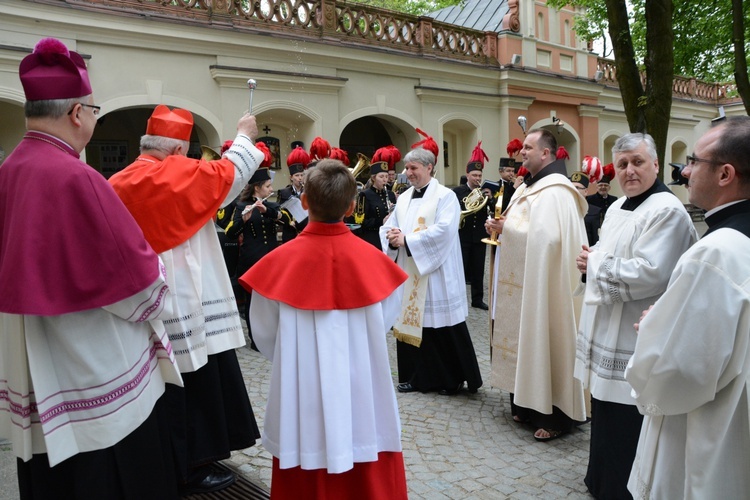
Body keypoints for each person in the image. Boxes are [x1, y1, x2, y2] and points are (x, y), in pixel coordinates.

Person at [0, 38, 182, 498]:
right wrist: (160, 282)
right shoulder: (78, 177)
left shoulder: (7, 170)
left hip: (31, 355)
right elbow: (137, 281)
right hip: (91, 365)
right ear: (77, 113)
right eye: (94, 109)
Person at [109, 104, 264, 494]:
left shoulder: (118, 181)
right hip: (184, 297)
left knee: (158, 384)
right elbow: (229, 175)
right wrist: (245, 133)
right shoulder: (176, 173)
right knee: (191, 380)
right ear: (176, 151)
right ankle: (189, 466)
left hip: (143, 300)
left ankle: (167, 462)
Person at [240, 160, 409, 499]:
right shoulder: (378, 263)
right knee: (368, 438)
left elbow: (264, 335)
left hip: (300, 384)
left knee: (304, 450)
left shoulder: (277, 265)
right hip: (365, 382)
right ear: (350, 206)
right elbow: (386, 321)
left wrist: (300, 356)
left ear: (304, 201)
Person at [625, 116, 750, 499]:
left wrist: (653, 327)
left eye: (695, 161)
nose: (687, 170)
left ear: (725, 173)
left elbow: (680, 368)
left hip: (704, 427)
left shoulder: (715, 252)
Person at [573, 133, 698, 499]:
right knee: (605, 407)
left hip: (635, 330)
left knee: (628, 413)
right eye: (623, 164)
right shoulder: (617, 207)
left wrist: (594, 263)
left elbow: (652, 272)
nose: (629, 171)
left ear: (656, 164)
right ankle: (602, 479)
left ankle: (624, 489)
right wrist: (592, 257)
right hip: (608, 324)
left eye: (638, 162)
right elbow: (609, 251)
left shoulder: (666, 210)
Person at [485, 128, 588, 441]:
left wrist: (508, 229)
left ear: (546, 153)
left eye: (528, 148)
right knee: (523, 335)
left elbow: (550, 240)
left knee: (547, 333)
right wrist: (500, 228)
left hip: (547, 285)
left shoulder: (557, 191)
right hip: (522, 278)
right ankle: (526, 403)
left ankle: (557, 416)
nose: (521, 153)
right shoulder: (526, 187)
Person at [381, 133, 483, 396]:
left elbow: (444, 231)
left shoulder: (445, 196)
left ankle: (452, 379)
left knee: (442, 327)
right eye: (406, 168)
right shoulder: (404, 197)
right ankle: (416, 378)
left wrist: (408, 240)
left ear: (429, 167)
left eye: (413, 168)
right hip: (410, 270)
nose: (408, 173)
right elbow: (390, 225)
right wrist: (392, 238)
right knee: (414, 326)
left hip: (436, 271)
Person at [226, 166, 291, 349]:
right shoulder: (241, 206)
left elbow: (289, 221)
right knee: (252, 301)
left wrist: (267, 211)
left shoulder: (272, 206)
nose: (271, 190)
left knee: (272, 299)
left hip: (271, 261)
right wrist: (243, 220)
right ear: (257, 188)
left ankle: (273, 335)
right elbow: (230, 232)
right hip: (250, 261)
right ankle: (255, 339)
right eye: (268, 186)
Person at [453, 141, 490, 310]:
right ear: (467, 175)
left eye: (479, 176)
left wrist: (492, 197)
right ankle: (457, 299)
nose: (477, 179)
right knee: (460, 269)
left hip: (480, 236)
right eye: (475, 175)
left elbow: (495, 210)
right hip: (463, 235)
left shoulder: (485, 192)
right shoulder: (457, 192)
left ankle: (477, 299)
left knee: (478, 270)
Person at [351, 155, 397, 249]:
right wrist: (381, 221)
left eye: (386, 176)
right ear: (373, 178)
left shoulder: (391, 195)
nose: (385, 180)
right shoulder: (364, 195)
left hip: (389, 238)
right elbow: (359, 222)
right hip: (372, 239)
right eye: (381, 177)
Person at [277, 146, 310, 242]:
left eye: (302, 175)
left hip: (305, 231)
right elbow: (278, 213)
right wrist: (287, 222)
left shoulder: (308, 192)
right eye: (297, 175)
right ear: (291, 177)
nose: (300, 178)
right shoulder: (284, 192)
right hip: (290, 233)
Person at [569, 171, 602, 246]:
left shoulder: (594, 212)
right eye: (571, 187)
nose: (574, 190)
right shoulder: (565, 210)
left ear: (586, 191)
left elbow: (596, 239)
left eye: (577, 188)